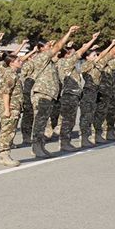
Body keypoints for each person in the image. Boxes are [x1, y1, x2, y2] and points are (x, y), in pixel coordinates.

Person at [28, 26, 80, 158]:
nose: (49, 46)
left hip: (48, 94)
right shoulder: (41, 57)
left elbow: (60, 51)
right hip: (42, 94)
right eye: (46, 45)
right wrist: (68, 32)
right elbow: (58, 47)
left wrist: (67, 43)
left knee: (43, 122)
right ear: (40, 49)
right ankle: (36, 147)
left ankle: (41, 146)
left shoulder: (49, 60)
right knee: (39, 122)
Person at [56, 33, 100, 151]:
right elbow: (81, 52)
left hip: (71, 94)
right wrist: (92, 40)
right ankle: (64, 143)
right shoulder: (66, 62)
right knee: (68, 120)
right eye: (72, 53)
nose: (76, 55)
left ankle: (65, 142)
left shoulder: (63, 63)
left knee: (69, 120)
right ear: (68, 55)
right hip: (69, 94)